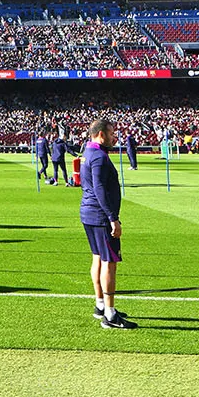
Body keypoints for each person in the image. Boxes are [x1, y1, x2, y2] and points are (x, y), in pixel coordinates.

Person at [80, 118, 136, 329]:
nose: (115, 137)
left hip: (89, 213)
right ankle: (110, 315)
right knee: (109, 262)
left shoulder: (88, 152)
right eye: (112, 133)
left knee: (98, 258)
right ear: (101, 134)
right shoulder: (99, 157)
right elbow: (100, 189)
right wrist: (113, 218)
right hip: (100, 216)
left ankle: (101, 305)